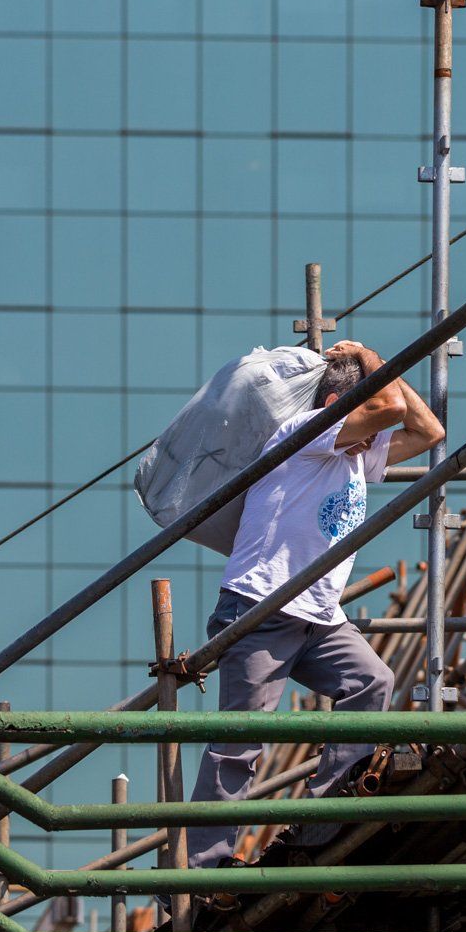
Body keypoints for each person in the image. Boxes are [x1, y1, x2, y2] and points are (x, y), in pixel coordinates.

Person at [185, 340, 445, 867]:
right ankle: (201, 870)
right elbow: (391, 408)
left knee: (370, 683)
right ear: (335, 410)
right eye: (365, 419)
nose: (376, 435)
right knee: (239, 745)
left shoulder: (356, 452)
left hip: (320, 617)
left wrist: (373, 367)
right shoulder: (303, 434)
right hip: (261, 607)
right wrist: (373, 362)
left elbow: (429, 431)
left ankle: (320, 827)